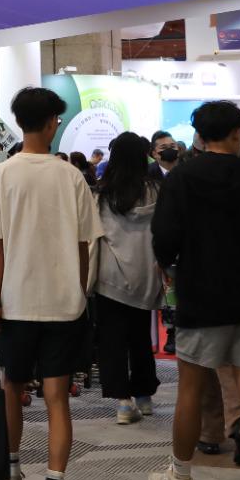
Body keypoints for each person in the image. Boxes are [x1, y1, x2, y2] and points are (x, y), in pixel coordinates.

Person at [148, 100, 240, 480]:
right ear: (238, 132)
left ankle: (181, 478)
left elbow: (164, 235)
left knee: (190, 390)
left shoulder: (183, 177)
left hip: (200, 293)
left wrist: (172, 263)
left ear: (200, 136)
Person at [0, 87, 102, 480]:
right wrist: (79, 291)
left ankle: (11, 475)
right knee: (56, 398)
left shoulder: (1, 176)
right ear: (50, 124)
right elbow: (84, 246)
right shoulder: (71, 177)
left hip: (16, 303)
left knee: (12, 388)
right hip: (65, 305)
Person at [93, 131, 161, 425]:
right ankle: (144, 396)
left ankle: (123, 402)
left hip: (110, 276)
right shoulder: (157, 191)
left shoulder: (102, 194)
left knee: (112, 339)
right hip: (145, 274)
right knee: (140, 336)